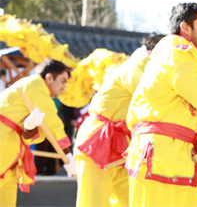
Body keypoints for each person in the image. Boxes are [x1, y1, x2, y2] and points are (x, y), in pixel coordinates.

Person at [125, 3, 197, 207]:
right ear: (185, 28)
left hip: (171, 152)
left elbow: (184, 110)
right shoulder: (179, 50)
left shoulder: (176, 53)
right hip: (162, 151)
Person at [73, 33, 164, 207]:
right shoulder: (137, 66)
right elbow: (154, 99)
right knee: (93, 202)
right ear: (155, 52)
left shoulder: (147, 69)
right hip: (98, 138)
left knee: (132, 200)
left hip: (120, 142)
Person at [0, 59, 77, 206]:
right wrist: (68, 156)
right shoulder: (35, 84)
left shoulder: (37, 95)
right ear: (49, 78)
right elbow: (53, 124)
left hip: (12, 149)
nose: (64, 87)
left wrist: (29, 129)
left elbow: (34, 135)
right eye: (62, 81)